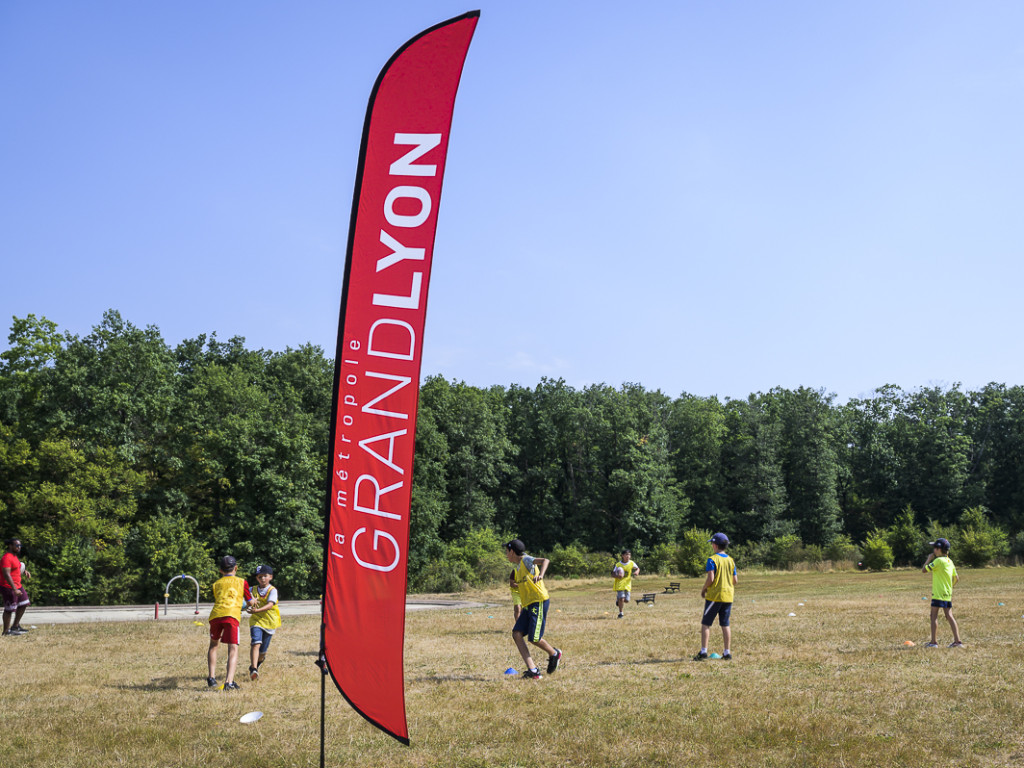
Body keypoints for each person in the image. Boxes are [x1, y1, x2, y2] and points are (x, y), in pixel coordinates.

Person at [505, 539, 562, 679]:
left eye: (507, 552)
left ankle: (554, 653)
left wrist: (541, 575)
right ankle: (533, 671)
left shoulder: (525, 560)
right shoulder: (517, 567)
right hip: (528, 605)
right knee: (517, 634)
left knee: (534, 638)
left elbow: (545, 560)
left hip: (538, 601)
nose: (506, 555)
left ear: (512, 551)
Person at [207, 555, 252, 689]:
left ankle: (211, 677)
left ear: (220, 570)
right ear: (236, 568)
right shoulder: (242, 582)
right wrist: (252, 603)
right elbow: (249, 601)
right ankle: (229, 682)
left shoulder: (216, 584)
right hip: (231, 616)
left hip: (215, 616)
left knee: (213, 645)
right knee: (233, 648)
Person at [694, 532, 737, 661]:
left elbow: (710, 578)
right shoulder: (731, 560)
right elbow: (735, 580)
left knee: (706, 623)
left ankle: (703, 652)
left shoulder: (712, 559)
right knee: (725, 624)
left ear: (715, 545)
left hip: (714, 596)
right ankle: (727, 652)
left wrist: (704, 589)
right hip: (728, 596)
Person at [922, 538, 963, 648]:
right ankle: (957, 641)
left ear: (939, 549)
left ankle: (933, 642)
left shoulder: (938, 561)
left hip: (938, 594)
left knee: (933, 616)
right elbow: (956, 578)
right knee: (949, 616)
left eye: (935, 548)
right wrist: (949, 588)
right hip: (947, 594)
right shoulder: (950, 561)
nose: (934, 550)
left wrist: (928, 559)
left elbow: (924, 570)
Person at [246, 564, 281, 681]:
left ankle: (258, 662)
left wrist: (256, 610)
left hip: (270, 622)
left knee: (263, 651)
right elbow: (245, 598)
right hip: (256, 620)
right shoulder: (252, 590)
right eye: (259, 576)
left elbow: (270, 605)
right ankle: (254, 668)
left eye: (265, 576)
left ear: (270, 577)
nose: (262, 579)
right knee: (256, 642)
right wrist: (248, 603)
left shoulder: (273, 590)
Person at [1, 539, 31, 636]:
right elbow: (6, 574)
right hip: (8, 586)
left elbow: (17, 567)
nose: (19, 547)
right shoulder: (6, 558)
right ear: (10, 546)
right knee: (9, 609)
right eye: (17, 545)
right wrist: (14, 589)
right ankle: (6, 631)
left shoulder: (14, 557)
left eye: (20, 546)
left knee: (24, 602)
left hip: (18, 585)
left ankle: (15, 626)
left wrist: (24, 571)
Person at [612, 548, 641, 618]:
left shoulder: (631, 563)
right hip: (620, 584)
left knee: (627, 600)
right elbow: (612, 573)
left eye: (629, 555)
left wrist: (637, 571)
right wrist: (617, 576)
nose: (628, 556)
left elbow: (637, 568)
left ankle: (618, 601)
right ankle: (621, 613)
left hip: (627, 584)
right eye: (626, 555)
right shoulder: (618, 564)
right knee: (622, 598)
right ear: (622, 556)